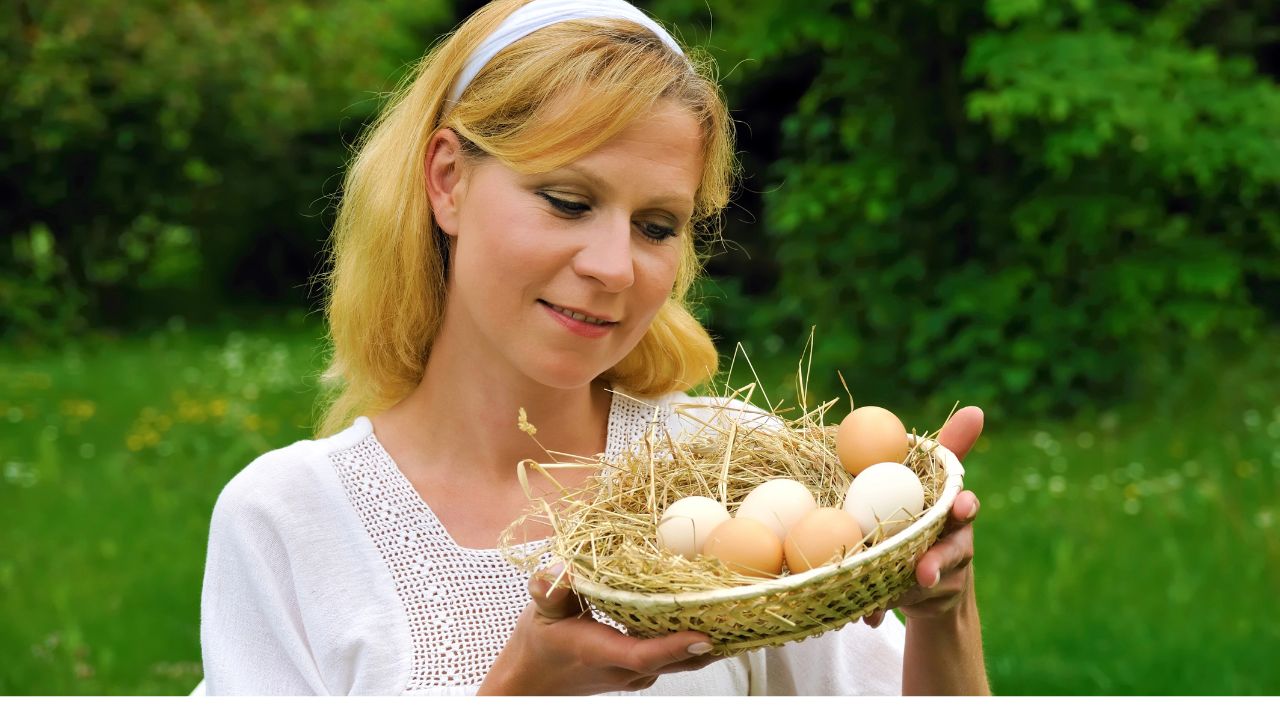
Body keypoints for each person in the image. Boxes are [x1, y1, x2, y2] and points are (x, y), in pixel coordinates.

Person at [197, 0, 990, 695]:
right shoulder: (289, 522)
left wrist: (942, 614)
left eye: (656, 227)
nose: (614, 267)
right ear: (448, 181)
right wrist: (522, 692)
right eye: (569, 202)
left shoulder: (735, 471)